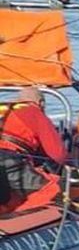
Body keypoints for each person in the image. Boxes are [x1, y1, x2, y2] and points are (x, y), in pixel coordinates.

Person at [0, 86, 68, 214]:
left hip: (6, 164)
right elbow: (58, 155)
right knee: (53, 189)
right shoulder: (33, 112)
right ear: (41, 103)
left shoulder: (4, 110)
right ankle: (19, 217)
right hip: (9, 160)